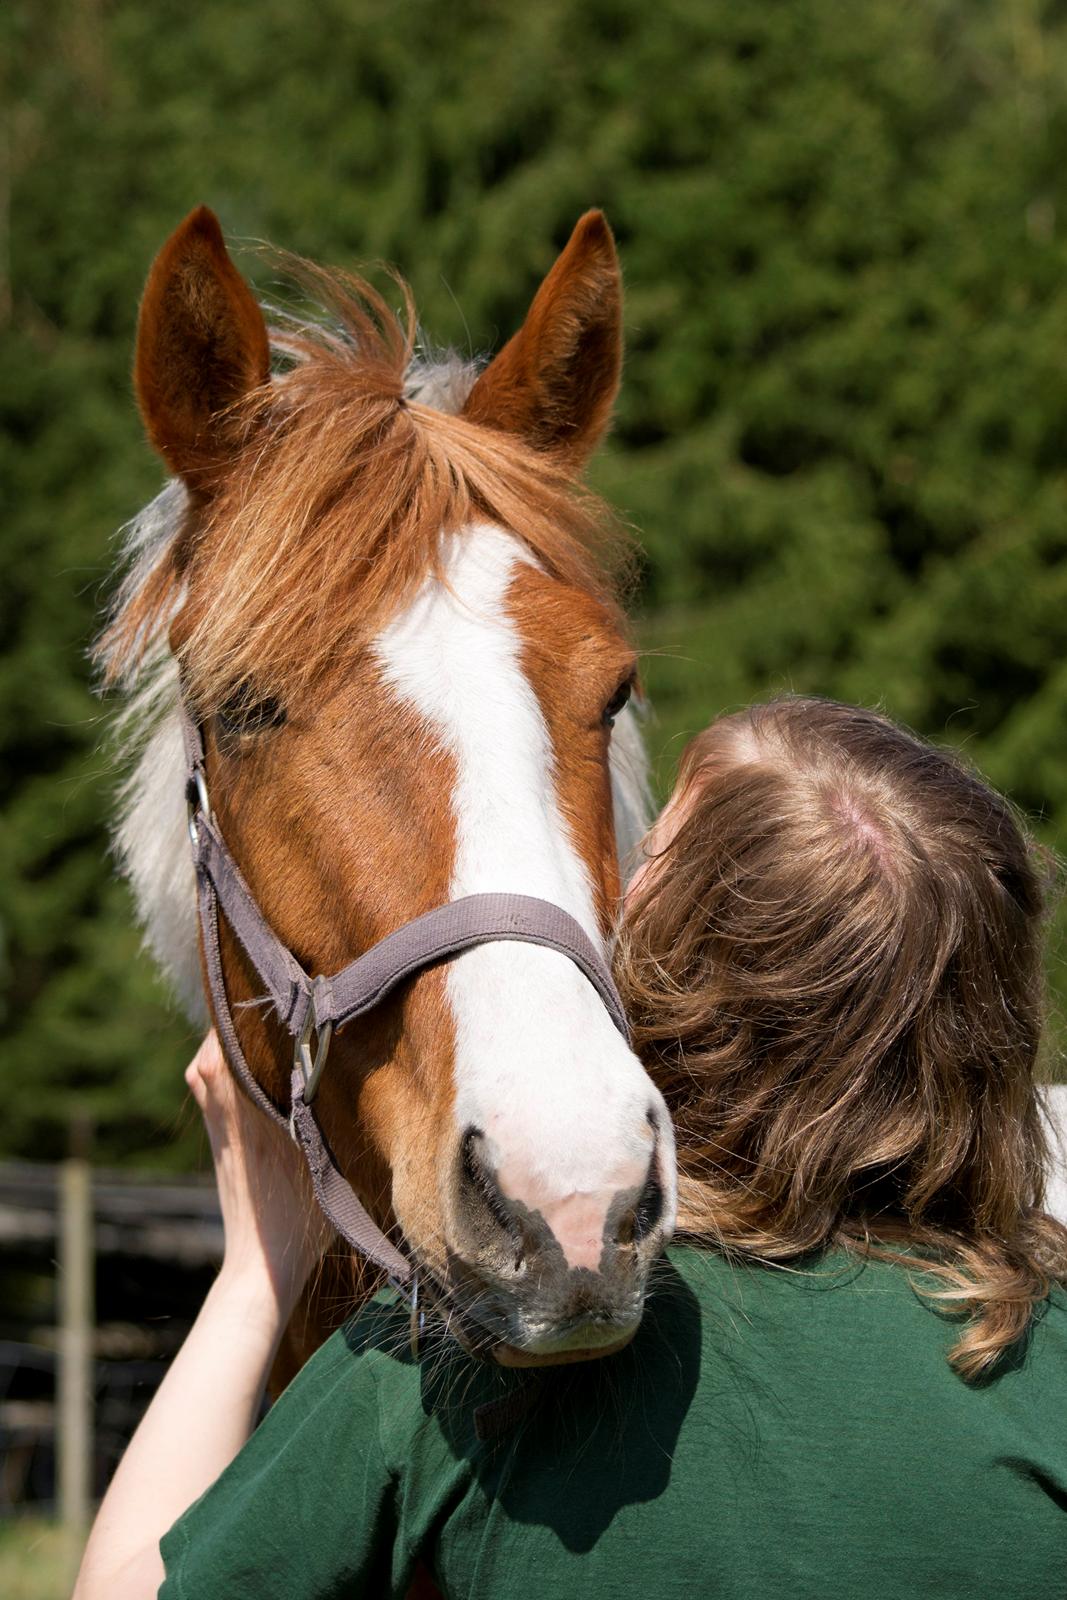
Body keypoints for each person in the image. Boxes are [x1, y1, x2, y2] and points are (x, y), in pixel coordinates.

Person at [74, 697, 1067, 1600]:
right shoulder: (1040, 1353)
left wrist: (255, 1274)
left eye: (648, 859)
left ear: (678, 961)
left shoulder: (467, 1362)